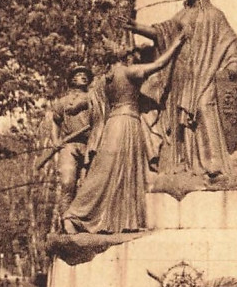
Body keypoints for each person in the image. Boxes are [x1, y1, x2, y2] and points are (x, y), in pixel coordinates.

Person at [129, 0, 237, 195]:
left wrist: (233, 64)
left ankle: (213, 164)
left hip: (205, 73)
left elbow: (230, 40)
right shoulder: (182, 16)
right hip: (182, 75)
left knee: (204, 108)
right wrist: (137, 27)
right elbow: (160, 31)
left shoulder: (215, 16)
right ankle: (186, 163)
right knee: (181, 120)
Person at [63, 32, 185, 235]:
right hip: (128, 123)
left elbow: (84, 104)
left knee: (109, 170)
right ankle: (75, 215)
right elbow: (159, 65)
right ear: (124, 56)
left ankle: (114, 221)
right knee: (120, 170)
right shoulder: (129, 72)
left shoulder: (105, 79)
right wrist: (175, 44)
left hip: (112, 124)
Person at [50, 64, 95, 216]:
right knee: (67, 183)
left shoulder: (95, 98)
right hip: (68, 146)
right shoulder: (63, 102)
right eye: (78, 74)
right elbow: (55, 121)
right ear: (72, 79)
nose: (82, 76)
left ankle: (82, 222)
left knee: (88, 187)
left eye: (85, 74)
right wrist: (55, 140)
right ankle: (65, 221)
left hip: (91, 146)